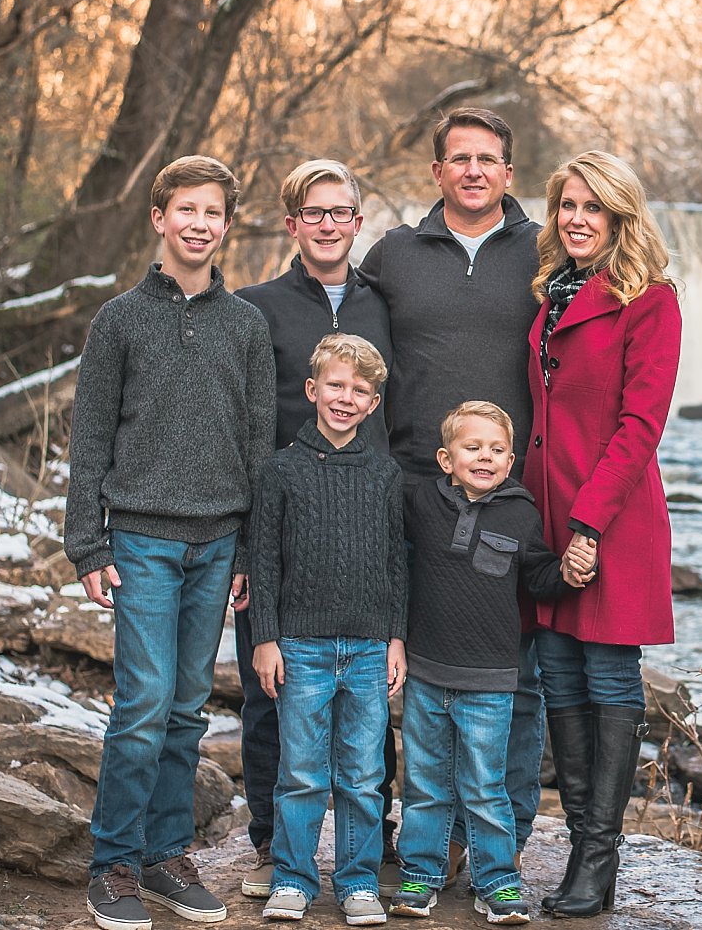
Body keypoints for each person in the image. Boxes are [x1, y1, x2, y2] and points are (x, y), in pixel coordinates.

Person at [65, 154, 275, 930]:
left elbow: (258, 444)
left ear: (225, 225)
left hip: (217, 544)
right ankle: (113, 862)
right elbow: (89, 439)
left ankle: (164, 854)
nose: (198, 223)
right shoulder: (119, 319)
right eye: (184, 209)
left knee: (187, 706)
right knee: (145, 702)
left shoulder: (246, 324)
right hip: (143, 539)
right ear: (159, 217)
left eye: (212, 212)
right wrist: (87, 543)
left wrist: (252, 550)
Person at [359, 107, 546, 878]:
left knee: (516, 672)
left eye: (488, 159)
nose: (473, 170)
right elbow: (353, 355)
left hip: (512, 494)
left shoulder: (542, 250)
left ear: (509, 172)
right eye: (459, 158)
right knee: (403, 666)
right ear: (435, 172)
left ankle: (501, 837)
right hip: (410, 492)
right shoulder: (394, 255)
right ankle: (412, 835)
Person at [521, 151, 682, 918]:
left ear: (621, 218)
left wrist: (587, 525)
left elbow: (640, 424)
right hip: (546, 518)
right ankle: (586, 849)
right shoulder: (550, 293)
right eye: (567, 205)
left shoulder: (649, 301)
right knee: (557, 673)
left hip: (609, 519)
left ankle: (597, 856)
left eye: (594, 207)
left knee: (609, 679)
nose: (577, 218)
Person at [234, 160, 394, 899]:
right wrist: (243, 543)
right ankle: (274, 845)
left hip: (365, 527)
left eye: (341, 212)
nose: (328, 224)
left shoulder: (385, 304)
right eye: (313, 211)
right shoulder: (255, 306)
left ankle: (372, 851)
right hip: (279, 529)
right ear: (292, 221)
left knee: (367, 713)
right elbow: (239, 425)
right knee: (271, 693)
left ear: (359, 223)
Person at [390, 401, 590, 925]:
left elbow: (539, 575)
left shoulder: (521, 513)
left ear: (511, 459)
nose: (486, 456)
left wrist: (568, 573)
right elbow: (392, 561)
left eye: (497, 450)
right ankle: (421, 875)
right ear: (445, 458)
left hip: (492, 679)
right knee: (426, 784)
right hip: (428, 672)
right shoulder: (421, 504)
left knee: (484, 785)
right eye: (472, 447)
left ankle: (497, 882)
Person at [248, 334, 407, 926]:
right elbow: (264, 560)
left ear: (373, 405)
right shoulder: (280, 470)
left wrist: (396, 637)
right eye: (336, 386)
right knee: (301, 772)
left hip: (368, 648)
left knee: (365, 775)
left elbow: (397, 562)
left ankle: (358, 881)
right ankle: (292, 879)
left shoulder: (385, 474)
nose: (346, 398)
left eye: (360, 391)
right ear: (313, 390)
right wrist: (266, 639)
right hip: (301, 647)